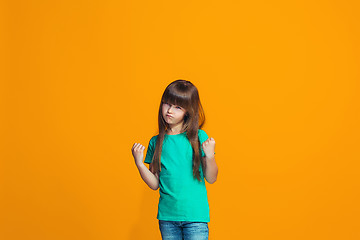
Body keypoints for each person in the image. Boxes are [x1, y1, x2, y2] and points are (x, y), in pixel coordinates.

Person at [131, 79, 218, 240]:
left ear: (188, 111)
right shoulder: (156, 142)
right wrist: (139, 164)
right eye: (166, 104)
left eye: (178, 107)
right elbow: (154, 184)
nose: (169, 110)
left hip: (195, 217)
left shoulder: (198, 137)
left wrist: (210, 156)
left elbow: (211, 178)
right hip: (167, 218)